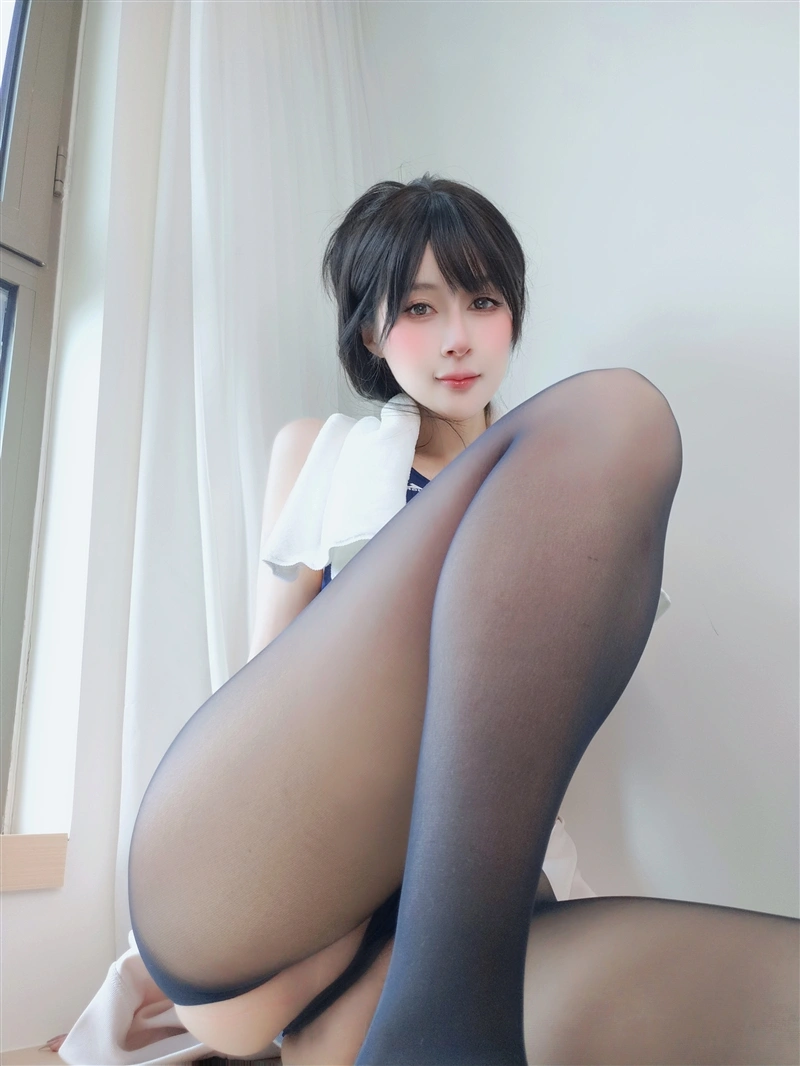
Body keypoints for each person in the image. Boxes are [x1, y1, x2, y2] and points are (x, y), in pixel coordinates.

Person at [126, 174, 799, 1066]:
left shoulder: (570, 512)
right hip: (267, 896)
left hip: (449, 923)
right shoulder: (321, 452)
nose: (458, 337)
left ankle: (418, 1023)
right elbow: (266, 684)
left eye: (483, 302)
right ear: (371, 332)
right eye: (419, 307)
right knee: (616, 414)